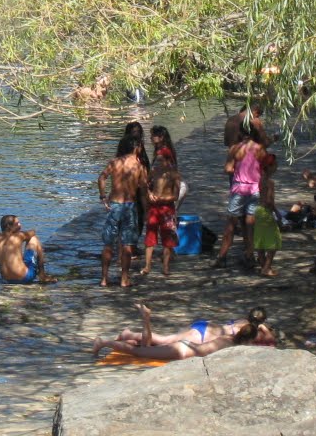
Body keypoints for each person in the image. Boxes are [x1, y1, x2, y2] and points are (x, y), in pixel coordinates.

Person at [91, 303, 273, 360]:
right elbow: (271, 344)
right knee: (139, 351)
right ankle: (104, 343)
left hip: (193, 341)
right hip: (184, 350)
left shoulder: (230, 336)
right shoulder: (236, 347)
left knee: (149, 346)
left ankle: (131, 334)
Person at [97, 134, 149, 287]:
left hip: (114, 204)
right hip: (129, 206)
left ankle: (104, 279)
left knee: (108, 244)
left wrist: (103, 196)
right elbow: (144, 191)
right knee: (127, 244)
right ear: (137, 147)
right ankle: (124, 279)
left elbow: (101, 178)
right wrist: (146, 210)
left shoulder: (115, 162)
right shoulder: (139, 166)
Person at [214, 120, 266, 268]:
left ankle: (222, 256)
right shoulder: (260, 149)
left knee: (231, 224)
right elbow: (264, 170)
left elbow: (228, 169)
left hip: (239, 190)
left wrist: (237, 169)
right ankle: (250, 255)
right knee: (250, 224)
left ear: (241, 133)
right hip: (255, 189)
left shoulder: (235, 148)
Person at [0, 215, 56, 286]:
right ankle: (42, 275)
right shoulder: (19, 235)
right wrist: (33, 230)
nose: (20, 225)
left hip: (7, 280)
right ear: (9, 226)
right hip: (26, 278)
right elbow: (32, 233)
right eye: (17, 223)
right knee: (34, 238)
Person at [141, 149, 182, 276]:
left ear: (167, 160)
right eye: (156, 160)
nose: (158, 163)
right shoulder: (153, 172)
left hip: (167, 208)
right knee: (150, 237)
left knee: (168, 237)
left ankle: (165, 266)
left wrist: (163, 199)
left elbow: (175, 196)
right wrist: (149, 195)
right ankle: (147, 266)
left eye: (160, 160)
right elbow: (144, 185)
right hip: (154, 208)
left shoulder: (174, 175)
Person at [252, 153, 281, 277]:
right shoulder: (270, 182)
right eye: (275, 165)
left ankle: (264, 266)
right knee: (274, 240)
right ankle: (267, 267)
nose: (276, 167)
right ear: (270, 167)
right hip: (265, 212)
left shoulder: (259, 180)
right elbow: (269, 201)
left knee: (260, 240)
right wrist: (277, 213)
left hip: (257, 210)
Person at [151, 124, 188, 208]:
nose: (151, 138)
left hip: (175, 187)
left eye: (153, 136)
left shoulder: (162, 152)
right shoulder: (167, 149)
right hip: (178, 185)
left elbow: (153, 171)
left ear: (161, 138)